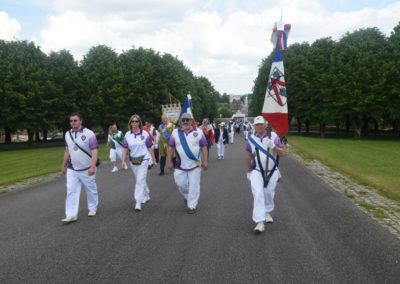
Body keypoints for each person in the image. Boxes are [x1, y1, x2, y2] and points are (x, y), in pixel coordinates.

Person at [245, 115, 285, 234]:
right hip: (257, 170)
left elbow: (282, 153)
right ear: (254, 126)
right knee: (258, 193)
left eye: (261, 124)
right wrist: (248, 171)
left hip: (272, 171)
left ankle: (267, 211)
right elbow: (248, 156)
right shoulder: (251, 139)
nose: (259, 126)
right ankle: (259, 221)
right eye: (257, 124)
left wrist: (273, 146)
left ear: (265, 125)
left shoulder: (274, 137)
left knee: (269, 193)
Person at [61, 112, 99, 223]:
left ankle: (92, 208)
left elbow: (94, 150)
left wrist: (92, 167)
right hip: (72, 168)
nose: (72, 122)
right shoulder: (67, 134)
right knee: (71, 190)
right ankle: (71, 214)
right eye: (71, 121)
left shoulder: (89, 134)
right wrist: (63, 165)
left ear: (81, 121)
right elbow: (67, 150)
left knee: (90, 189)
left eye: (75, 120)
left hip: (87, 168)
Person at [167, 112, 208, 214]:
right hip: (180, 165)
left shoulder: (198, 132)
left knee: (194, 185)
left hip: (195, 165)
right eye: (183, 120)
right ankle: (187, 197)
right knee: (180, 183)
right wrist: (169, 161)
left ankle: (192, 206)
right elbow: (170, 147)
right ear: (181, 122)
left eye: (187, 120)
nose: (185, 122)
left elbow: (204, 146)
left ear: (191, 121)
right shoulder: (175, 133)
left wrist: (205, 160)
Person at [121, 114, 157, 212]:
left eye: (136, 121)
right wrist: (123, 160)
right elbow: (124, 148)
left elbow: (150, 147)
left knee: (140, 180)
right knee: (139, 179)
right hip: (133, 161)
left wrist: (153, 159)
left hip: (144, 159)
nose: (134, 123)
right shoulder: (127, 134)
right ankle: (146, 193)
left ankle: (138, 201)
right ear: (130, 123)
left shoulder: (144, 134)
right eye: (133, 121)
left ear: (139, 123)